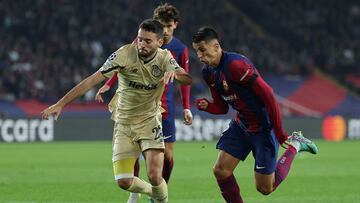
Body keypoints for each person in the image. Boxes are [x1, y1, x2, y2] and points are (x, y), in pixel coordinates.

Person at [41, 19, 192, 203]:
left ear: (160, 42)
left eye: (147, 41)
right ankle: (154, 193)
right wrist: (61, 103)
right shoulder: (124, 54)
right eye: (140, 39)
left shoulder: (164, 57)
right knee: (123, 182)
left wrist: (176, 75)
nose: (141, 44)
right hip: (124, 123)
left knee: (154, 175)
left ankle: (161, 199)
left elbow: (187, 79)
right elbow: (91, 80)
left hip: (150, 120)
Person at [192, 27, 318, 203]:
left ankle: (295, 145)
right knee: (221, 170)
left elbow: (269, 95)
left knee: (265, 188)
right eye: (196, 51)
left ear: (216, 46)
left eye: (202, 50)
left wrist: (281, 133)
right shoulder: (208, 72)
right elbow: (222, 108)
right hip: (241, 125)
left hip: (263, 128)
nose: (199, 55)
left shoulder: (236, 65)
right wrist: (207, 107)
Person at [95, 4, 192, 203]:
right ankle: (135, 191)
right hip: (141, 106)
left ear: (175, 25)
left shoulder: (180, 49)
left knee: (168, 157)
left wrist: (187, 107)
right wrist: (108, 84)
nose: (164, 30)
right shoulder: (143, 43)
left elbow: (184, 79)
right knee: (136, 153)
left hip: (165, 107)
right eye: (161, 25)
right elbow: (122, 65)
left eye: (168, 26)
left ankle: (160, 192)